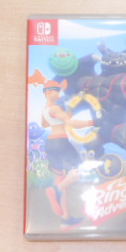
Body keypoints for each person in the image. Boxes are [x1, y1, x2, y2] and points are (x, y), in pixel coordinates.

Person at [41, 80, 93, 228]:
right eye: (56, 91)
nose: (59, 94)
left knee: (60, 177)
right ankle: (55, 190)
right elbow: (72, 123)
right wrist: (92, 122)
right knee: (78, 171)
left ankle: (65, 218)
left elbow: (45, 124)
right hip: (61, 143)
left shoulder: (45, 109)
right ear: (48, 93)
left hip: (50, 145)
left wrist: (63, 115)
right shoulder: (55, 108)